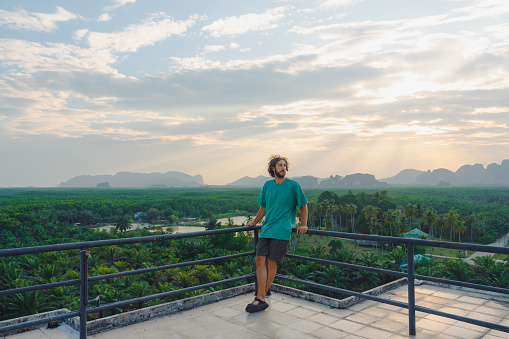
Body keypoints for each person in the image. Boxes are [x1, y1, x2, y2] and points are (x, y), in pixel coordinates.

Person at [245, 155, 308, 313]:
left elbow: (303, 206)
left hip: (282, 230)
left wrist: (303, 224)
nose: (283, 168)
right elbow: (263, 208)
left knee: (271, 262)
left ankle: (261, 298)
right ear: (273, 168)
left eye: (285, 166)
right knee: (259, 260)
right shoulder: (267, 185)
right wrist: (254, 223)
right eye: (280, 165)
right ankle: (261, 296)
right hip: (267, 229)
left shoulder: (293, 185)